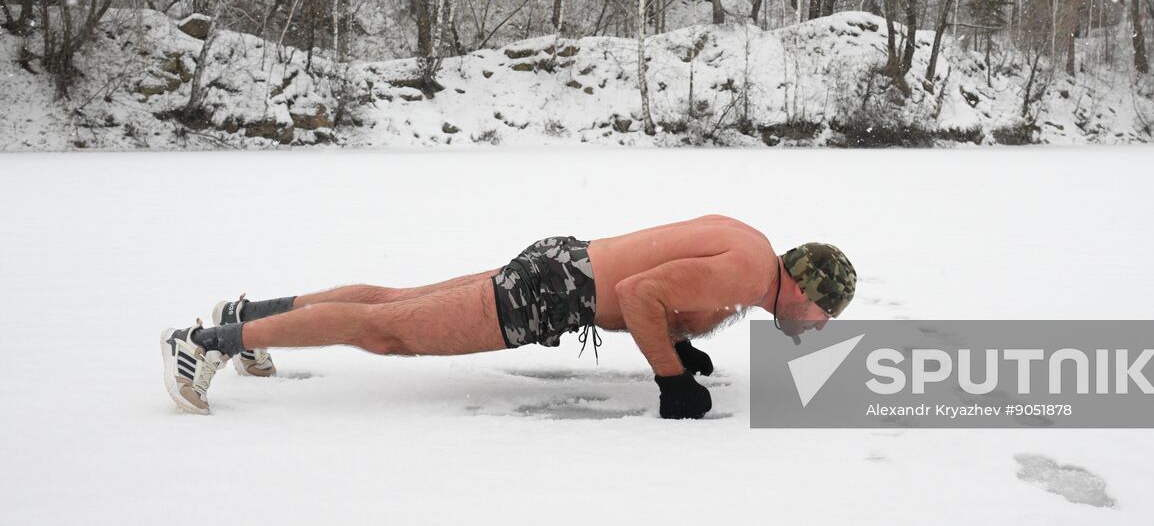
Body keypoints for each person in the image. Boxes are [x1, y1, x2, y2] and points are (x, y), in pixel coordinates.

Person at [161, 214, 856, 420]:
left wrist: (678, 344)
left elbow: (661, 292)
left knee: (395, 302)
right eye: (825, 310)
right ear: (803, 287)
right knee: (388, 331)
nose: (820, 324)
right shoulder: (748, 273)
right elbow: (641, 293)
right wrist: (670, 377)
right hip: (553, 291)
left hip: (561, 267)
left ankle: (245, 317)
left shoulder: (752, 252)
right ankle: (206, 342)